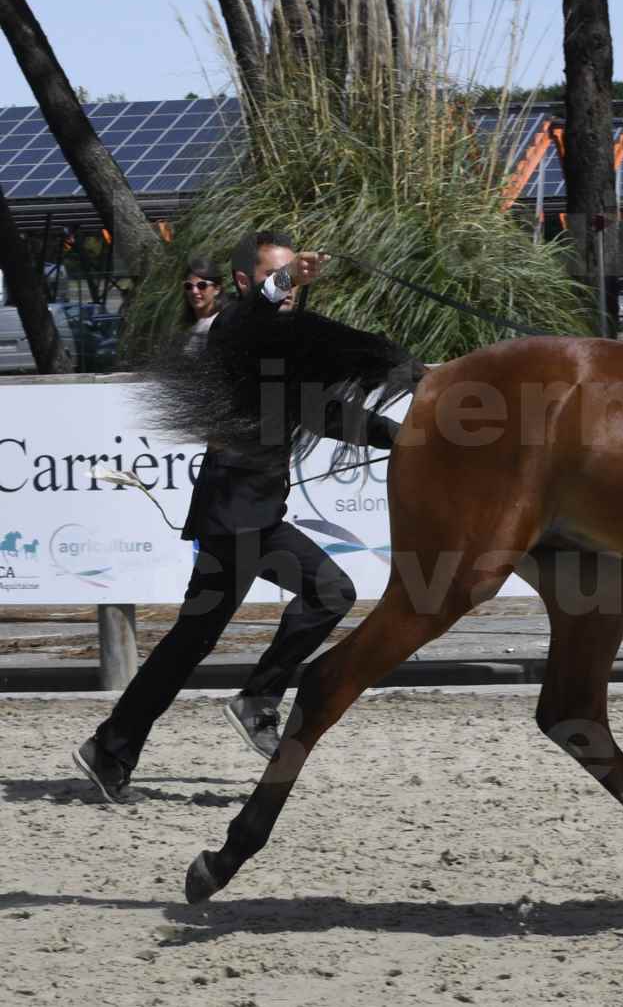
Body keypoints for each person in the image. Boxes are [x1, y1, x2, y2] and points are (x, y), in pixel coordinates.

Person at [73, 231, 401, 803]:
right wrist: (288, 278)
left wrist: (403, 436)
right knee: (327, 592)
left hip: (248, 514)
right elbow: (253, 315)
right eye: (280, 279)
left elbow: (323, 414)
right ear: (247, 284)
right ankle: (253, 701)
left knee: (193, 640)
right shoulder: (232, 328)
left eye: (295, 282)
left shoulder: (273, 351)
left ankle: (112, 747)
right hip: (237, 515)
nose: (294, 291)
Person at [181, 256, 225, 349]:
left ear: (217, 289)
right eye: (189, 286)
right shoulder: (187, 327)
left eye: (202, 285)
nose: (194, 291)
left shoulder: (221, 325)